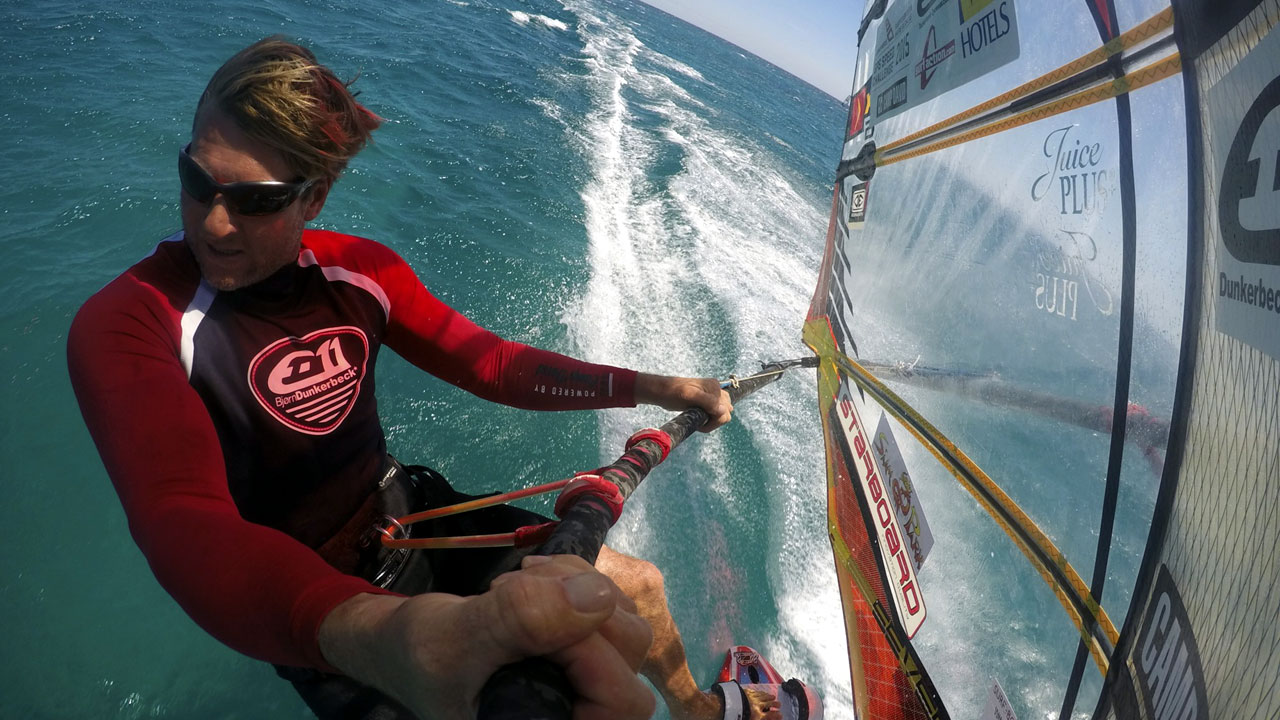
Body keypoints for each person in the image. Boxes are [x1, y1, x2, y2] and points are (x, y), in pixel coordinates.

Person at [68, 38, 780, 720]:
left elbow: (491, 364)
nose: (215, 223)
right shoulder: (131, 322)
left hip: (411, 520)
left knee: (640, 591)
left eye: (256, 201)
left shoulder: (360, 274)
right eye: (198, 180)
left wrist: (658, 388)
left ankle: (695, 710)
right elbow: (184, 521)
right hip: (320, 609)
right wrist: (388, 635)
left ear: (312, 200)